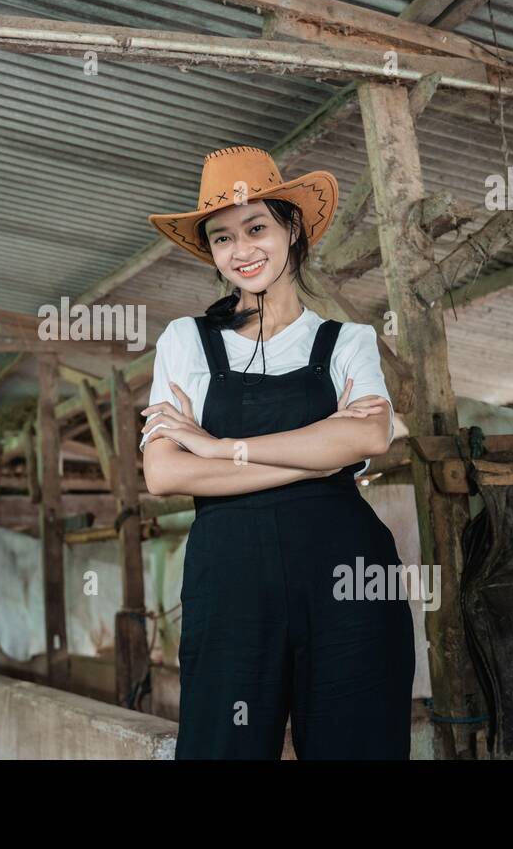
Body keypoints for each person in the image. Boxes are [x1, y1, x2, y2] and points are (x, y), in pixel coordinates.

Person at [140, 145, 415, 759]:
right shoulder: (185, 340)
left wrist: (218, 449)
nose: (242, 250)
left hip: (347, 579)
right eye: (221, 238)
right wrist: (320, 451)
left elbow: (369, 437)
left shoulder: (349, 341)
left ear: (292, 228)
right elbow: (163, 472)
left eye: (257, 227)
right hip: (230, 585)